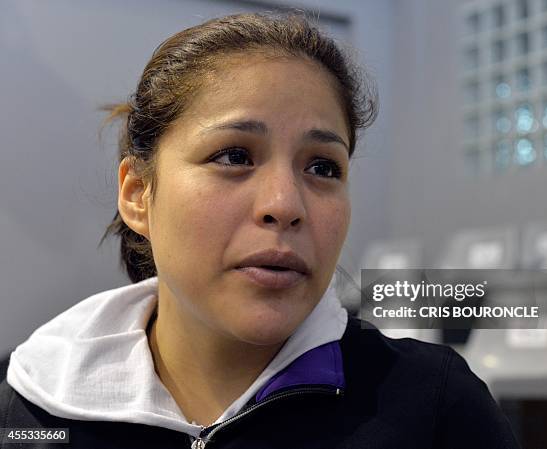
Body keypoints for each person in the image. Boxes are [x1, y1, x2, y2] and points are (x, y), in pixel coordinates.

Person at [0, 12, 520, 449]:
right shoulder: (22, 405)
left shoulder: (434, 407)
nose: (285, 205)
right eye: (234, 156)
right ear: (138, 194)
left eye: (322, 167)